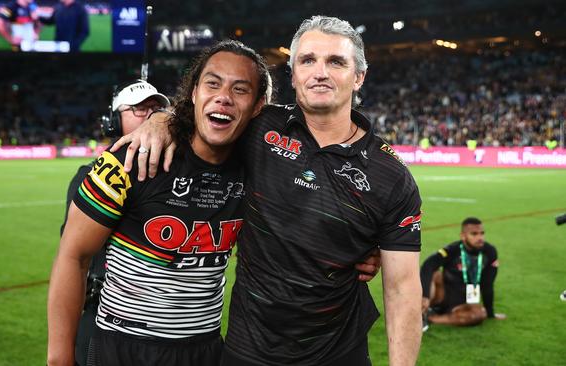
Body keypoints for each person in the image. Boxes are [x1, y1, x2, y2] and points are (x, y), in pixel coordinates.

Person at [113, 15, 422, 366]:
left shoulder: (390, 175)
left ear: (359, 77)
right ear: (293, 74)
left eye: (335, 61)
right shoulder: (257, 128)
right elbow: (206, 114)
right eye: (307, 60)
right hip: (248, 351)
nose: (319, 72)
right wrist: (161, 119)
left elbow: (402, 291)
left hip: (338, 353)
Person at [48, 40, 270, 366]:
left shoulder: (257, 169)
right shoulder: (128, 161)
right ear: (194, 92)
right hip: (121, 351)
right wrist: (60, 359)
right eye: (212, 83)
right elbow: (74, 256)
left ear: (258, 105)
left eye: (240, 89)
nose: (223, 96)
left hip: (204, 351)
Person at [59, 79, 170, 366]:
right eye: (138, 109)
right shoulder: (92, 176)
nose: (149, 115)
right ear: (112, 121)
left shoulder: (180, 171)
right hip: (102, 317)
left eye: (157, 108)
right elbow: (73, 258)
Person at [421, 217, 506, 329]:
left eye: (482, 233)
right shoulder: (452, 250)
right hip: (443, 295)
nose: (480, 238)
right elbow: (428, 265)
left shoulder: (489, 251)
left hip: (467, 299)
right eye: (474, 234)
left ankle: (431, 318)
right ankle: (423, 309)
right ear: (463, 236)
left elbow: (488, 284)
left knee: (479, 314)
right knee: (435, 274)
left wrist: (490, 313)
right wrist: (425, 296)